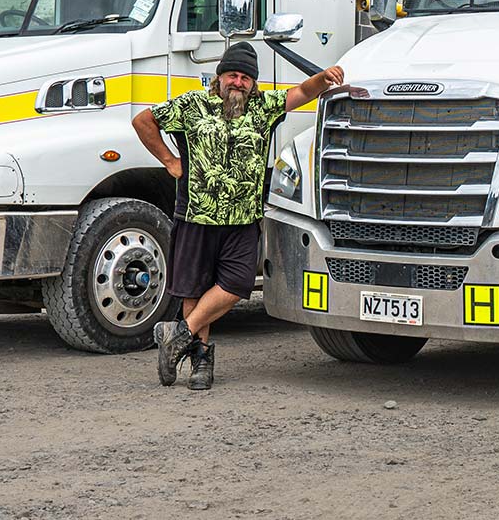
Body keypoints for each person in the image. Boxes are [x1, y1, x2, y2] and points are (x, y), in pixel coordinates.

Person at [133, 40, 344, 390]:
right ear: (219, 77)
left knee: (237, 284)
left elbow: (302, 92)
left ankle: (177, 336)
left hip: (244, 219)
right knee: (193, 290)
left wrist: (324, 78)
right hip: (196, 215)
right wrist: (170, 161)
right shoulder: (192, 104)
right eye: (232, 75)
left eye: (246, 78)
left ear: (253, 83)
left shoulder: (263, 108)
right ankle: (200, 362)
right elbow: (143, 121)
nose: (239, 83)